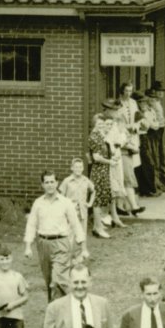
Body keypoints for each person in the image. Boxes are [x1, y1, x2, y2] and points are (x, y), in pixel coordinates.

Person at [24, 170, 85, 303]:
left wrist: (82, 246)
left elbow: (75, 223)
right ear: (42, 185)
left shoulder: (65, 202)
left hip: (61, 243)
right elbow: (31, 225)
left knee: (58, 280)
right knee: (49, 281)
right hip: (43, 244)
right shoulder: (38, 203)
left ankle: (62, 313)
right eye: (47, 182)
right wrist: (28, 246)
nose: (50, 185)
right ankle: (55, 312)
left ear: (57, 183)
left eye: (52, 181)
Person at [86, 109, 120, 235]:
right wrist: (110, 162)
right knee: (97, 200)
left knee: (100, 199)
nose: (101, 126)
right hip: (98, 171)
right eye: (99, 124)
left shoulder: (100, 136)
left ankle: (97, 225)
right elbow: (96, 157)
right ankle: (98, 227)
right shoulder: (94, 137)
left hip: (104, 170)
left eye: (102, 124)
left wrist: (112, 158)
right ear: (94, 124)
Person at [59, 156, 102, 239]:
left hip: (83, 210)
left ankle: (82, 250)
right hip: (70, 210)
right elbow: (61, 197)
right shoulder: (67, 181)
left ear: (83, 168)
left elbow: (93, 191)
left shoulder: (86, 180)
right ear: (72, 168)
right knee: (69, 233)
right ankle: (69, 251)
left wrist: (90, 203)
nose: (78, 169)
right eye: (76, 167)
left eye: (80, 167)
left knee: (82, 234)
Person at [137, 87, 165, 196]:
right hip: (145, 137)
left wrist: (154, 124)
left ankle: (155, 185)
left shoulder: (151, 110)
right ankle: (150, 188)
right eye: (142, 103)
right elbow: (152, 125)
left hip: (150, 136)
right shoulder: (140, 114)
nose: (144, 104)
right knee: (149, 163)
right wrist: (154, 124)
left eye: (145, 102)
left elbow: (156, 123)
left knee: (155, 160)